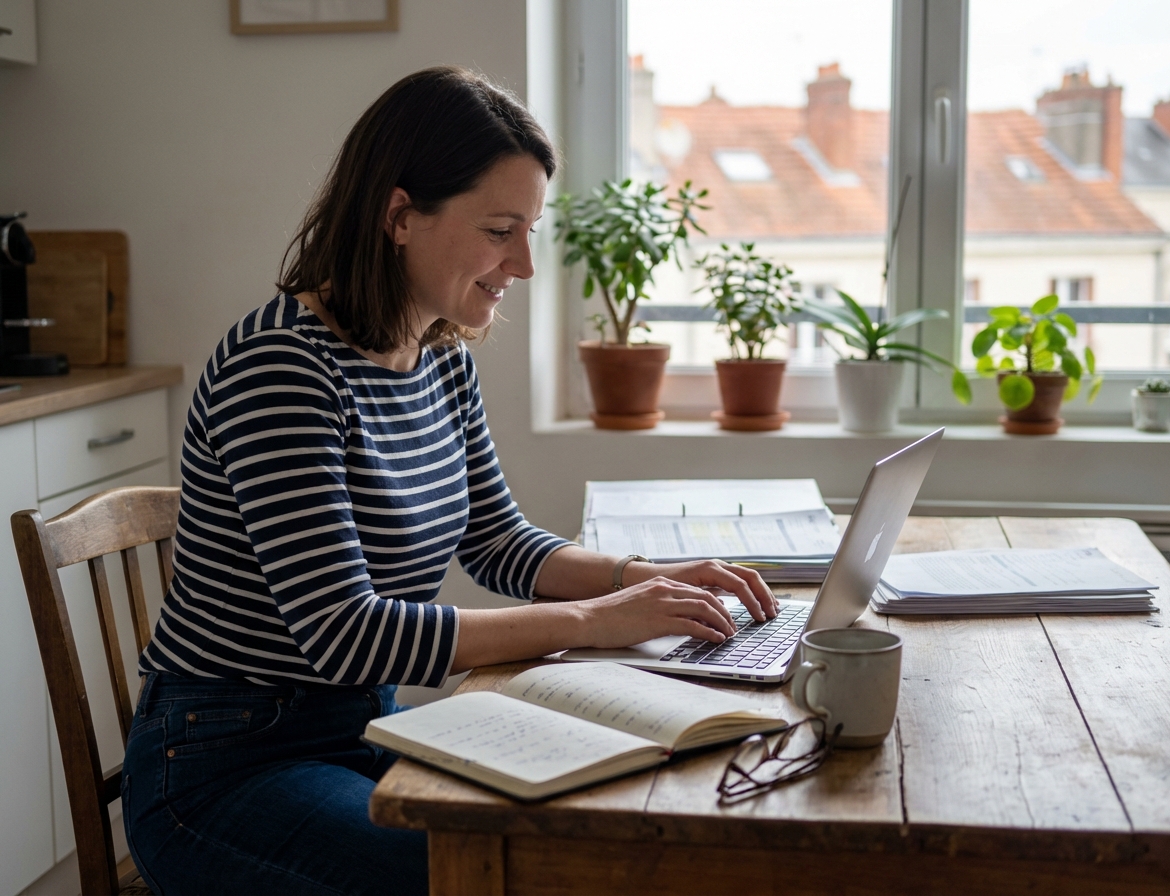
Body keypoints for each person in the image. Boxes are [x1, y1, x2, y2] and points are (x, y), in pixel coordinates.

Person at [122, 66, 776, 896]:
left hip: (356, 730)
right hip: (221, 767)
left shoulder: (440, 357)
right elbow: (346, 634)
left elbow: (499, 542)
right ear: (400, 215)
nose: (526, 265)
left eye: (530, 229)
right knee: (494, 875)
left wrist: (648, 582)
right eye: (502, 229)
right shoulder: (280, 366)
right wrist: (598, 619)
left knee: (585, 833)